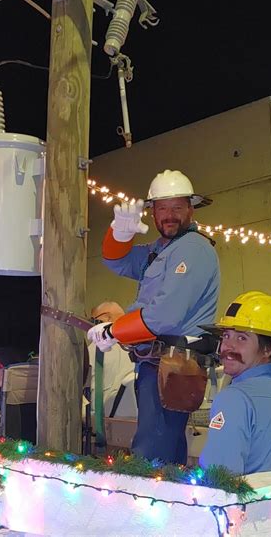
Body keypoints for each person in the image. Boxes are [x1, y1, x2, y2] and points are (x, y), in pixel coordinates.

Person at [87, 169, 220, 464]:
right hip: (159, 365)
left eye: (176, 207)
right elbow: (115, 261)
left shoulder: (193, 249)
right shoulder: (161, 249)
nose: (169, 215)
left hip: (172, 366)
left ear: (190, 208)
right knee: (166, 449)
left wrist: (113, 331)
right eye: (162, 208)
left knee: (151, 452)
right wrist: (119, 234)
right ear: (152, 213)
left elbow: (165, 317)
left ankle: (145, 506)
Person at [199, 291, 271, 475]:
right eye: (226, 335)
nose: (228, 346)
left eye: (242, 338)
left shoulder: (233, 399)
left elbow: (218, 479)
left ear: (269, 348)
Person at [88, 301, 135, 418]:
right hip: (136, 419)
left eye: (93, 320)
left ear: (107, 317)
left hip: (101, 421)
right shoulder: (139, 349)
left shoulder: (96, 347)